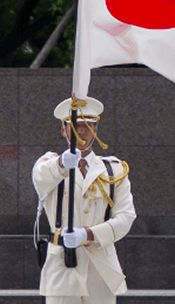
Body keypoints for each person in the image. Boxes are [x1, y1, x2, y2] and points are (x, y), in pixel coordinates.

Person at [33, 97, 135, 304]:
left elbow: (126, 217)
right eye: (75, 126)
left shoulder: (113, 170)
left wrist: (89, 234)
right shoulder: (51, 165)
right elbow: (41, 177)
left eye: (89, 126)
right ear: (63, 130)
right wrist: (62, 163)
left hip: (100, 267)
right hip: (63, 264)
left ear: (96, 130)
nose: (82, 132)